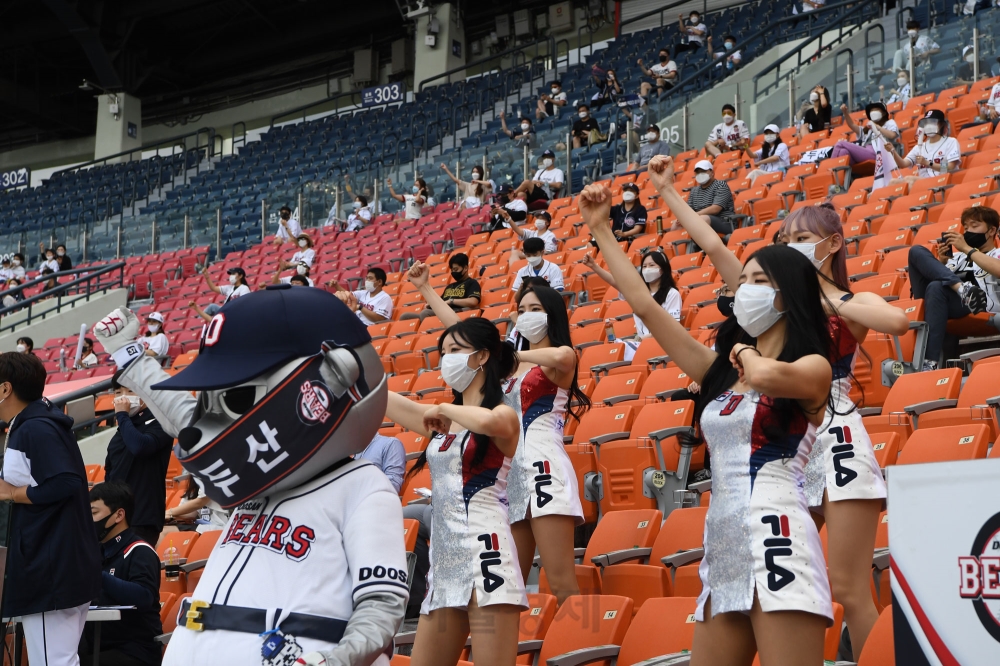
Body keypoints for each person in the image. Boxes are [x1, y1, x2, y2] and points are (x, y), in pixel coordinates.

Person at [580, 173, 836, 665]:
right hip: (723, 543)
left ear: (791, 296)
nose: (747, 291)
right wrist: (602, 231)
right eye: (744, 283)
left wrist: (738, 347)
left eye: (760, 282)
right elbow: (645, 308)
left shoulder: (813, 368)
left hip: (778, 537)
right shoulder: (726, 369)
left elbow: (763, 374)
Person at [92, 286, 408, 666]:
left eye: (238, 398)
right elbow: (191, 420)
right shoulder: (248, 480)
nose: (218, 423)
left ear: (328, 382)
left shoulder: (362, 485)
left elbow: (382, 604)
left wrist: (335, 660)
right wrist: (130, 356)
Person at [385, 317, 525, 665]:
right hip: (445, 563)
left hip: (487, 553)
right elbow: (382, 399)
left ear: (481, 357)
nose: (446, 358)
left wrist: (446, 408)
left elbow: (494, 423)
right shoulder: (441, 420)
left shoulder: (503, 412)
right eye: (443, 351)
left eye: (455, 350)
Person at [0, 351, 101, 666]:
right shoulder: (35, 420)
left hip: (50, 565)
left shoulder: (36, 426)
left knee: (53, 662)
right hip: (58, 560)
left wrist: (13, 493)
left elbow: (66, 482)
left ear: (5, 389)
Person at [907, 206, 1000, 369]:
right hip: (941, 304)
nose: (968, 231)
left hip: (980, 305)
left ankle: (930, 362)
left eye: (974, 226)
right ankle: (962, 288)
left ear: (992, 230)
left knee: (936, 287)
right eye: (965, 227)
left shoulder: (996, 253)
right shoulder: (955, 258)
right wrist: (942, 263)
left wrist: (967, 249)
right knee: (916, 251)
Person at [82, 481, 162, 666]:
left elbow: (143, 597)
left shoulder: (140, 551)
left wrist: (97, 575)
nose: (87, 520)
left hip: (134, 652)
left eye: (93, 513)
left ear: (119, 514)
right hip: (95, 647)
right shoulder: (97, 552)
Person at [104, 373, 175, 546]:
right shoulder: (122, 430)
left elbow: (141, 447)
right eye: (118, 392)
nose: (123, 398)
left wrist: (122, 416)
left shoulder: (161, 421)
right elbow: (110, 474)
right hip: (116, 519)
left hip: (143, 518)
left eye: (130, 391)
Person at [583, 249, 681, 360]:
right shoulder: (639, 292)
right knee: (610, 351)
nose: (647, 269)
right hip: (641, 344)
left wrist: (639, 339)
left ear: (662, 269)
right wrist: (594, 266)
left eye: (651, 265)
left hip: (661, 344)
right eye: (644, 266)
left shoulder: (672, 294)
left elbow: (671, 328)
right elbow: (615, 281)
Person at [401, 253, 482, 322]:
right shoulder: (450, 286)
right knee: (405, 316)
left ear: (465, 268)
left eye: (456, 269)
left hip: (455, 313)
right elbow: (440, 302)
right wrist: (430, 304)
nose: (453, 272)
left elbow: (473, 301)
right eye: (452, 270)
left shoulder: (472, 283)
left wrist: (451, 301)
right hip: (442, 312)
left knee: (425, 313)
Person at [886, 109, 961, 183]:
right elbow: (903, 164)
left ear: (941, 124)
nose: (929, 125)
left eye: (933, 122)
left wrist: (928, 163)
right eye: (926, 123)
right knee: (893, 182)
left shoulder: (950, 142)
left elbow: (950, 166)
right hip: (924, 184)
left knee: (910, 179)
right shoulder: (919, 147)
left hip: (942, 180)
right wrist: (893, 151)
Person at [831, 102, 899, 166]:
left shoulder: (889, 123)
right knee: (843, 152)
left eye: (876, 110)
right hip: (865, 152)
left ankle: (829, 169)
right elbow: (852, 125)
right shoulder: (868, 129)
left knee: (840, 143)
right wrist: (845, 112)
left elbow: (892, 135)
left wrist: (877, 127)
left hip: (877, 154)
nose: (873, 112)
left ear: (884, 113)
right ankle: (837, 177)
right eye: (872, 111)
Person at [687, 160, 736, 235]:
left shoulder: (720, 185)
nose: (700, 174)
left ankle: (701, 246)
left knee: (703, 219)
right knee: (676, 225)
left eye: (703, 171)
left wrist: (695, 215)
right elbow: (689, 210)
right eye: (698, 172)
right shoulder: (694, 191)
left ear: (712, 173)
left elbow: (715, 209)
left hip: (724, 222)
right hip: (699, 220)